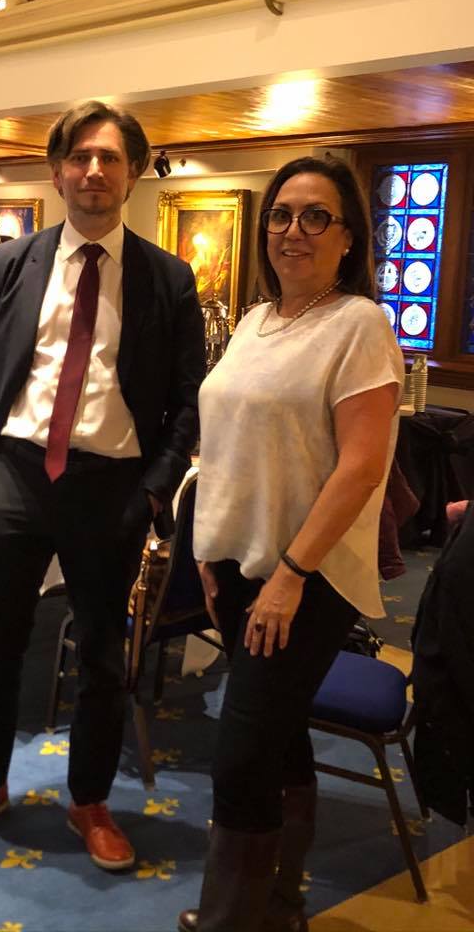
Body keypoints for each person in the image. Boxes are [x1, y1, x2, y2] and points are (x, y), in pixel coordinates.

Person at [0, 100, 206, 870]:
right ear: (56, 172)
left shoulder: (168, 278)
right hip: (14, 477)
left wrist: (154, 488)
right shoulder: (12, 265)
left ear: (133, 172)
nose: (93, 171)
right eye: (80, 157)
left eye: (109, 158)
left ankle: (89, 801)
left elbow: (189, 400)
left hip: (112, 488)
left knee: (105, 661)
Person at [179, 156, 404, 932]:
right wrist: (209, 549)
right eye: (281, 214)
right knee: (274, 737)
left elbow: (362, 466)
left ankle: (234, 921)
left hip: (306, 577)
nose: (293, 231)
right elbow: (226, 444)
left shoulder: (359, 325)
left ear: (349, 238)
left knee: (240, 757)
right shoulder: (254, 321)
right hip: (241, 567)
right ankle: (280, 900)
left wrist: (290, 574)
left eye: (316, 216)